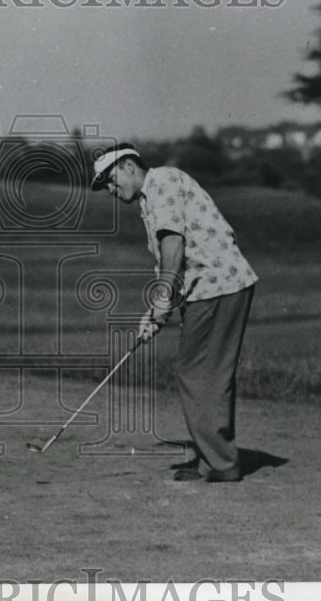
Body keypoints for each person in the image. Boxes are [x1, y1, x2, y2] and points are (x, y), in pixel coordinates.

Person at [91, 143, 258, 482]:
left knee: (198, 372)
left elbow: (174, 247)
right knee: (204, 371)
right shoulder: (149, 198)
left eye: (110, 180)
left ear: (128, 166)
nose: (110, 189)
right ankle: (211, 456)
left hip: (218, 285)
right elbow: (169, 261)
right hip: (211, 287)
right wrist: (154, 313)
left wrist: (162, 301)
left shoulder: (162, 182)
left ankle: (221, 463)